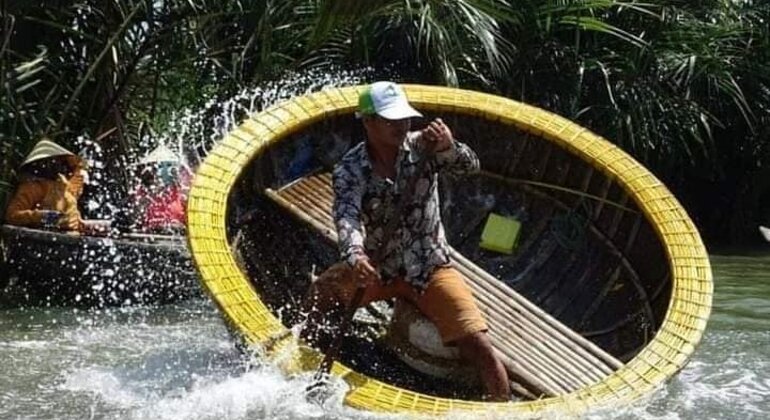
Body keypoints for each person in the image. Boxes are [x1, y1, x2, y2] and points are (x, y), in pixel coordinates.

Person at [301, 81, 511, 401]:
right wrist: (356, 256)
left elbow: (470, 166)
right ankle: (303, 366)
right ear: (368, 122)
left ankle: (501, 404)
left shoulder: (423, 147)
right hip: (378, 266)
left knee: (479, 345)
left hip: (429, 266)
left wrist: (449, 146)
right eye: (391, 120)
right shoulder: (350, 169)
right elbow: (347, 217)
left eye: (404, 119)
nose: (402, 126)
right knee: (319, 296)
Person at [5, 139, 87, 231]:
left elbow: (73, 216)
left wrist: (77, 222)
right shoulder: (33, 187)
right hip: (38, 239)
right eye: (51, 161)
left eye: (58, 161)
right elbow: (12, 216)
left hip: (67, 240)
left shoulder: (63, 186)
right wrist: (44, 217)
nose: (55, 164)